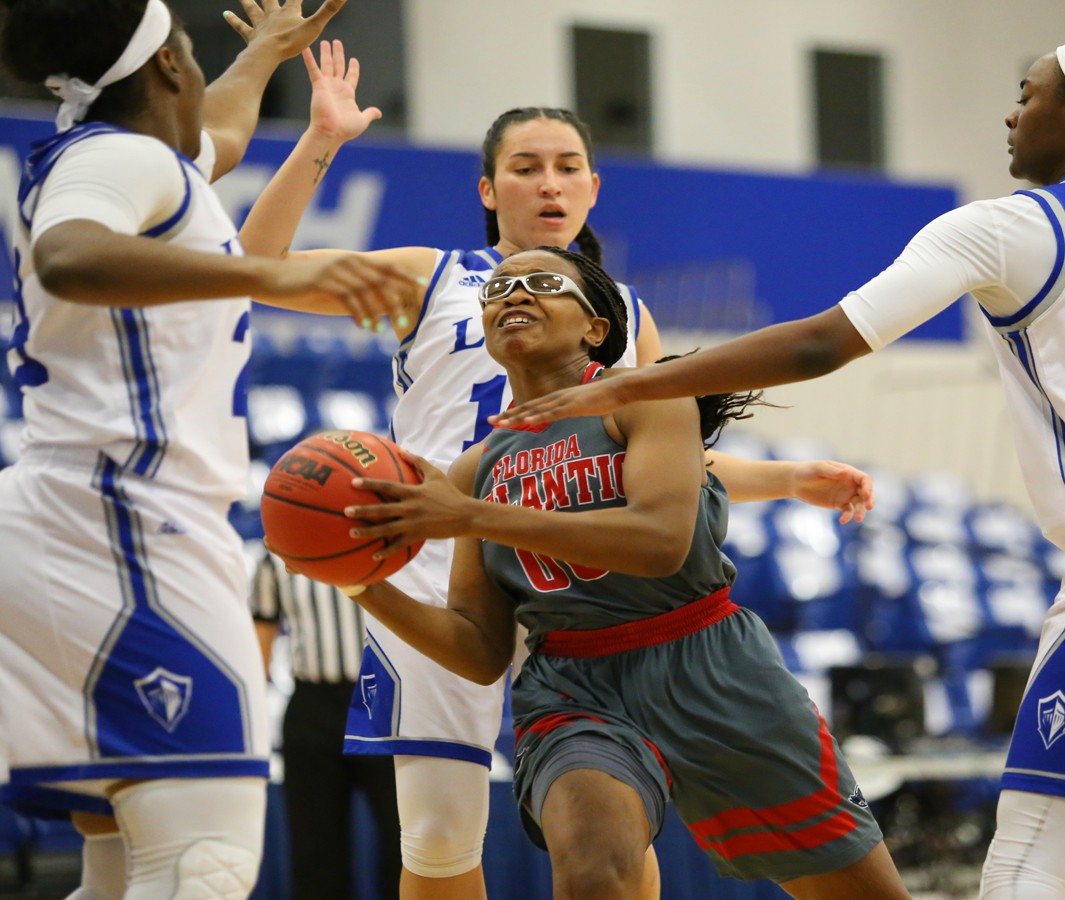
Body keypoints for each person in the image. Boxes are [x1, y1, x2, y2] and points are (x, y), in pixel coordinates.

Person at [494, 19, 1065, 900]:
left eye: (1026, 96)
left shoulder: (1006, 228)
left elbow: (819, 346)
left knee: (1025, 871)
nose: (1011, 115)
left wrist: (628, 387)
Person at [235, 100, 877, 899]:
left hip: (580, 581)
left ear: (594, 188)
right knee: (438, 835)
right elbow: (257, 260)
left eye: (567, 166)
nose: (549, 183)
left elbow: (656, 464)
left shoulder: (623, 313)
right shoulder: (429, 276)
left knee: (618, 811)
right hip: (438, 556)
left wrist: (785, 478)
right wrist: (322, 140)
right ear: (487, 189)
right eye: (525, 167)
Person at [0, 1, 415, 898]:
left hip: (61, 522)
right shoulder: (117, 160)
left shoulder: (144, 163)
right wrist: (272, 270)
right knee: (201, 865)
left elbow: (223, 133)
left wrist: (259, 55)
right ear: (171, 64)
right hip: (120, 526)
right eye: (191, 56)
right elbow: (67, 257)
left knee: (123, 866)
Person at [337, 245, 911, 899]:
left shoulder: (652, 401)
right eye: (499, 289)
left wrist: (474, 519)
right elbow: (479, 648)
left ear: (596, 329)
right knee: (591, 870)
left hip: (710, 663)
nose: (514, 295)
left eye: (543, 283)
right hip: (574, 691)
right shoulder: (475, 470)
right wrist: (359, 580)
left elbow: (659, 542)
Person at [253, 547, 403, 899]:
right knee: (315, 853)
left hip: (386, 703)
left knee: (406, 846)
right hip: (313, 704)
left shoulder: (394, 545)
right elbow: (262, 634)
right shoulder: (278, 554)